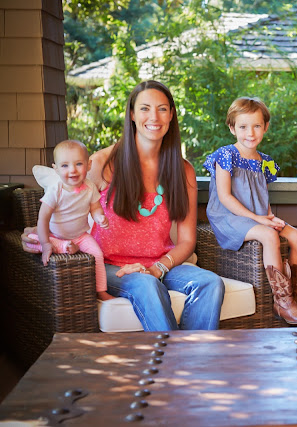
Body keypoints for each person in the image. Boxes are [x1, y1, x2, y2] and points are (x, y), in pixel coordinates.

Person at [22, 80, 225, 331]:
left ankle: (194, 352)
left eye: (162, 109)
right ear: (132, 114)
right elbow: (63, 207)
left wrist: (157, 268)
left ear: (171, 115)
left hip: (160, 264)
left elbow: (186, 241)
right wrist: (39, 234)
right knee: (146, 285)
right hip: (109, 266)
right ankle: (174, 355)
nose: (154, 117)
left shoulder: (183, 171)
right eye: (145, 108)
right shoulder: (103, 163)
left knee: (210, 283)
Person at [204, 97, 297, 325]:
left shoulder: (264, 161)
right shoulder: (226, 155)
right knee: (269, 235)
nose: (250, 133)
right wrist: (259, 220)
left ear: (265, 127)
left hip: (258, 216)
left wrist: (269, 217)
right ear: (232, 128)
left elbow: (261, 196)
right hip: (229, 217)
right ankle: (283, 302)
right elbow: (225, 197)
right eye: (243, 127)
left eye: (256, 126)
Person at [26, 140, 112, 301]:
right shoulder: (56, 190)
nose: (72, 170)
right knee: (32, 240)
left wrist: (99, 217)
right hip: (55, 235)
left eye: (78, 164)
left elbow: (95, 207)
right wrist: (45, 243)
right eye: (65, 165)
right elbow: (43, 218)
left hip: (81, 236)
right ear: (56, 169)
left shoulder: (90, 187)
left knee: (97, 254)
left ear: (88, 165)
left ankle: (100, 290)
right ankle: (63, 246)